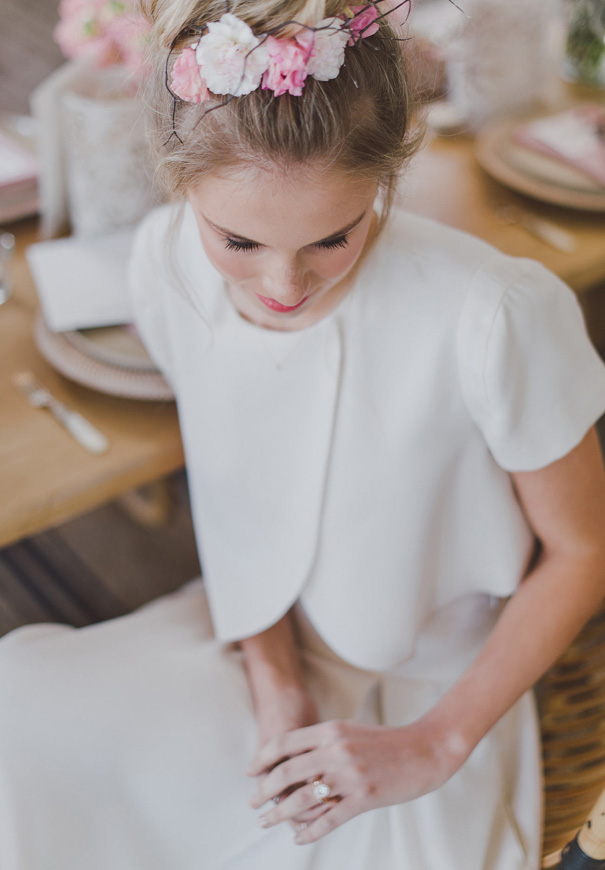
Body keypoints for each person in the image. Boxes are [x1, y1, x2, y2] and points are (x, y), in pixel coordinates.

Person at [2, 2, 605, 868]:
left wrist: (436, 744)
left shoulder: (494, 315)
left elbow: (584, 551)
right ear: (177, 183)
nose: (283, 283)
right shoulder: (162, 262)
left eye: (334, 235)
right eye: (237, 240)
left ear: (387, 181)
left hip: (428, 696)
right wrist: (274, 677)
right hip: (249, 638)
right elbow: (236, 489)